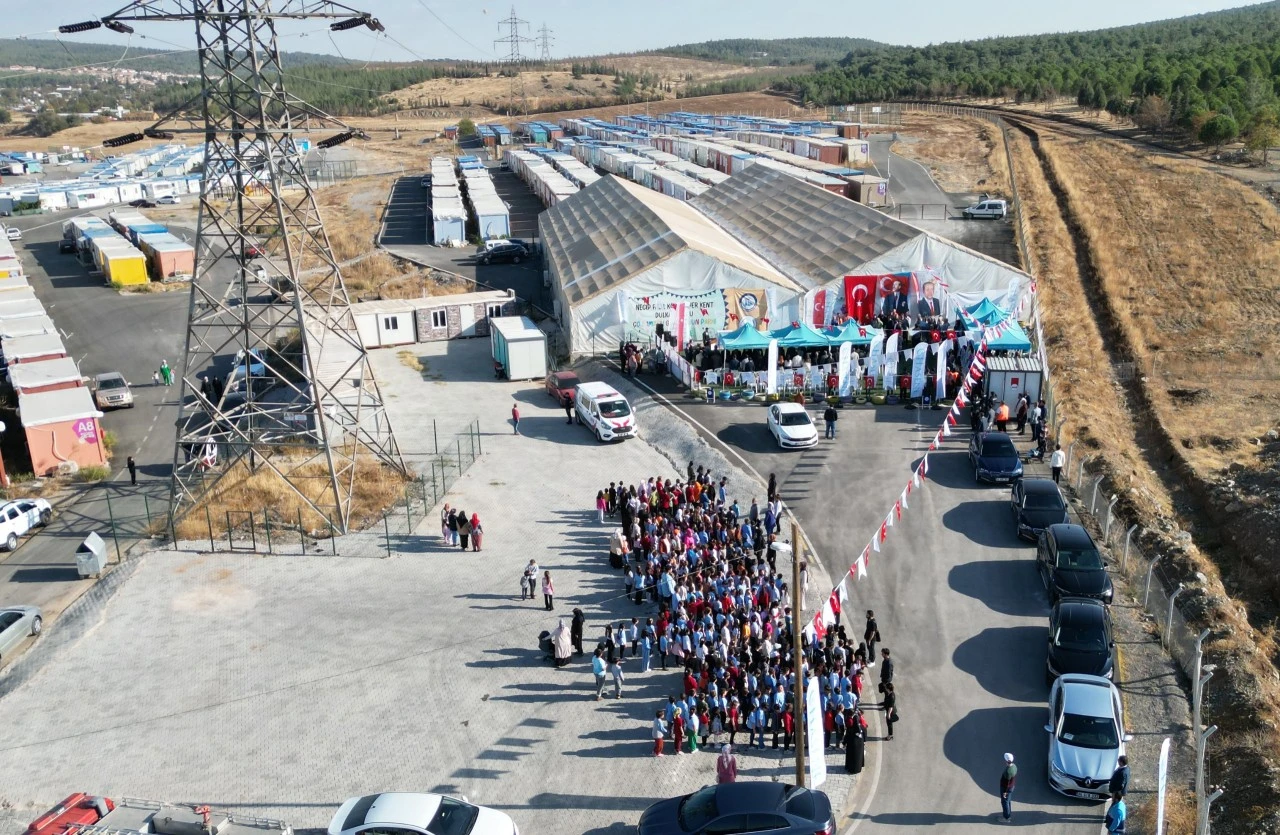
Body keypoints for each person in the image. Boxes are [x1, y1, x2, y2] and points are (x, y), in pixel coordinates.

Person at [844, 710, 865, 775]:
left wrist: (844, 742)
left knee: (851, 757)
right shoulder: (860, 727)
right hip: (859, 743)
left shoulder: (850, 727)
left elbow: (847, 735)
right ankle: (857, 768)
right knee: (858, 757)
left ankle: (850, 768)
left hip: (851, 743)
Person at [1000, 753, 1018, 822]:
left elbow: (1007, 783)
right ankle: (1008, 814)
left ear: (1007, 761)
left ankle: (1006, 818)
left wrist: (1005, 792)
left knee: (1005, 802)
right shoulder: (1014, 766)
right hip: (1011, 786)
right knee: (1008, 801)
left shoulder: (1008, 771)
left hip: (1006, 788)